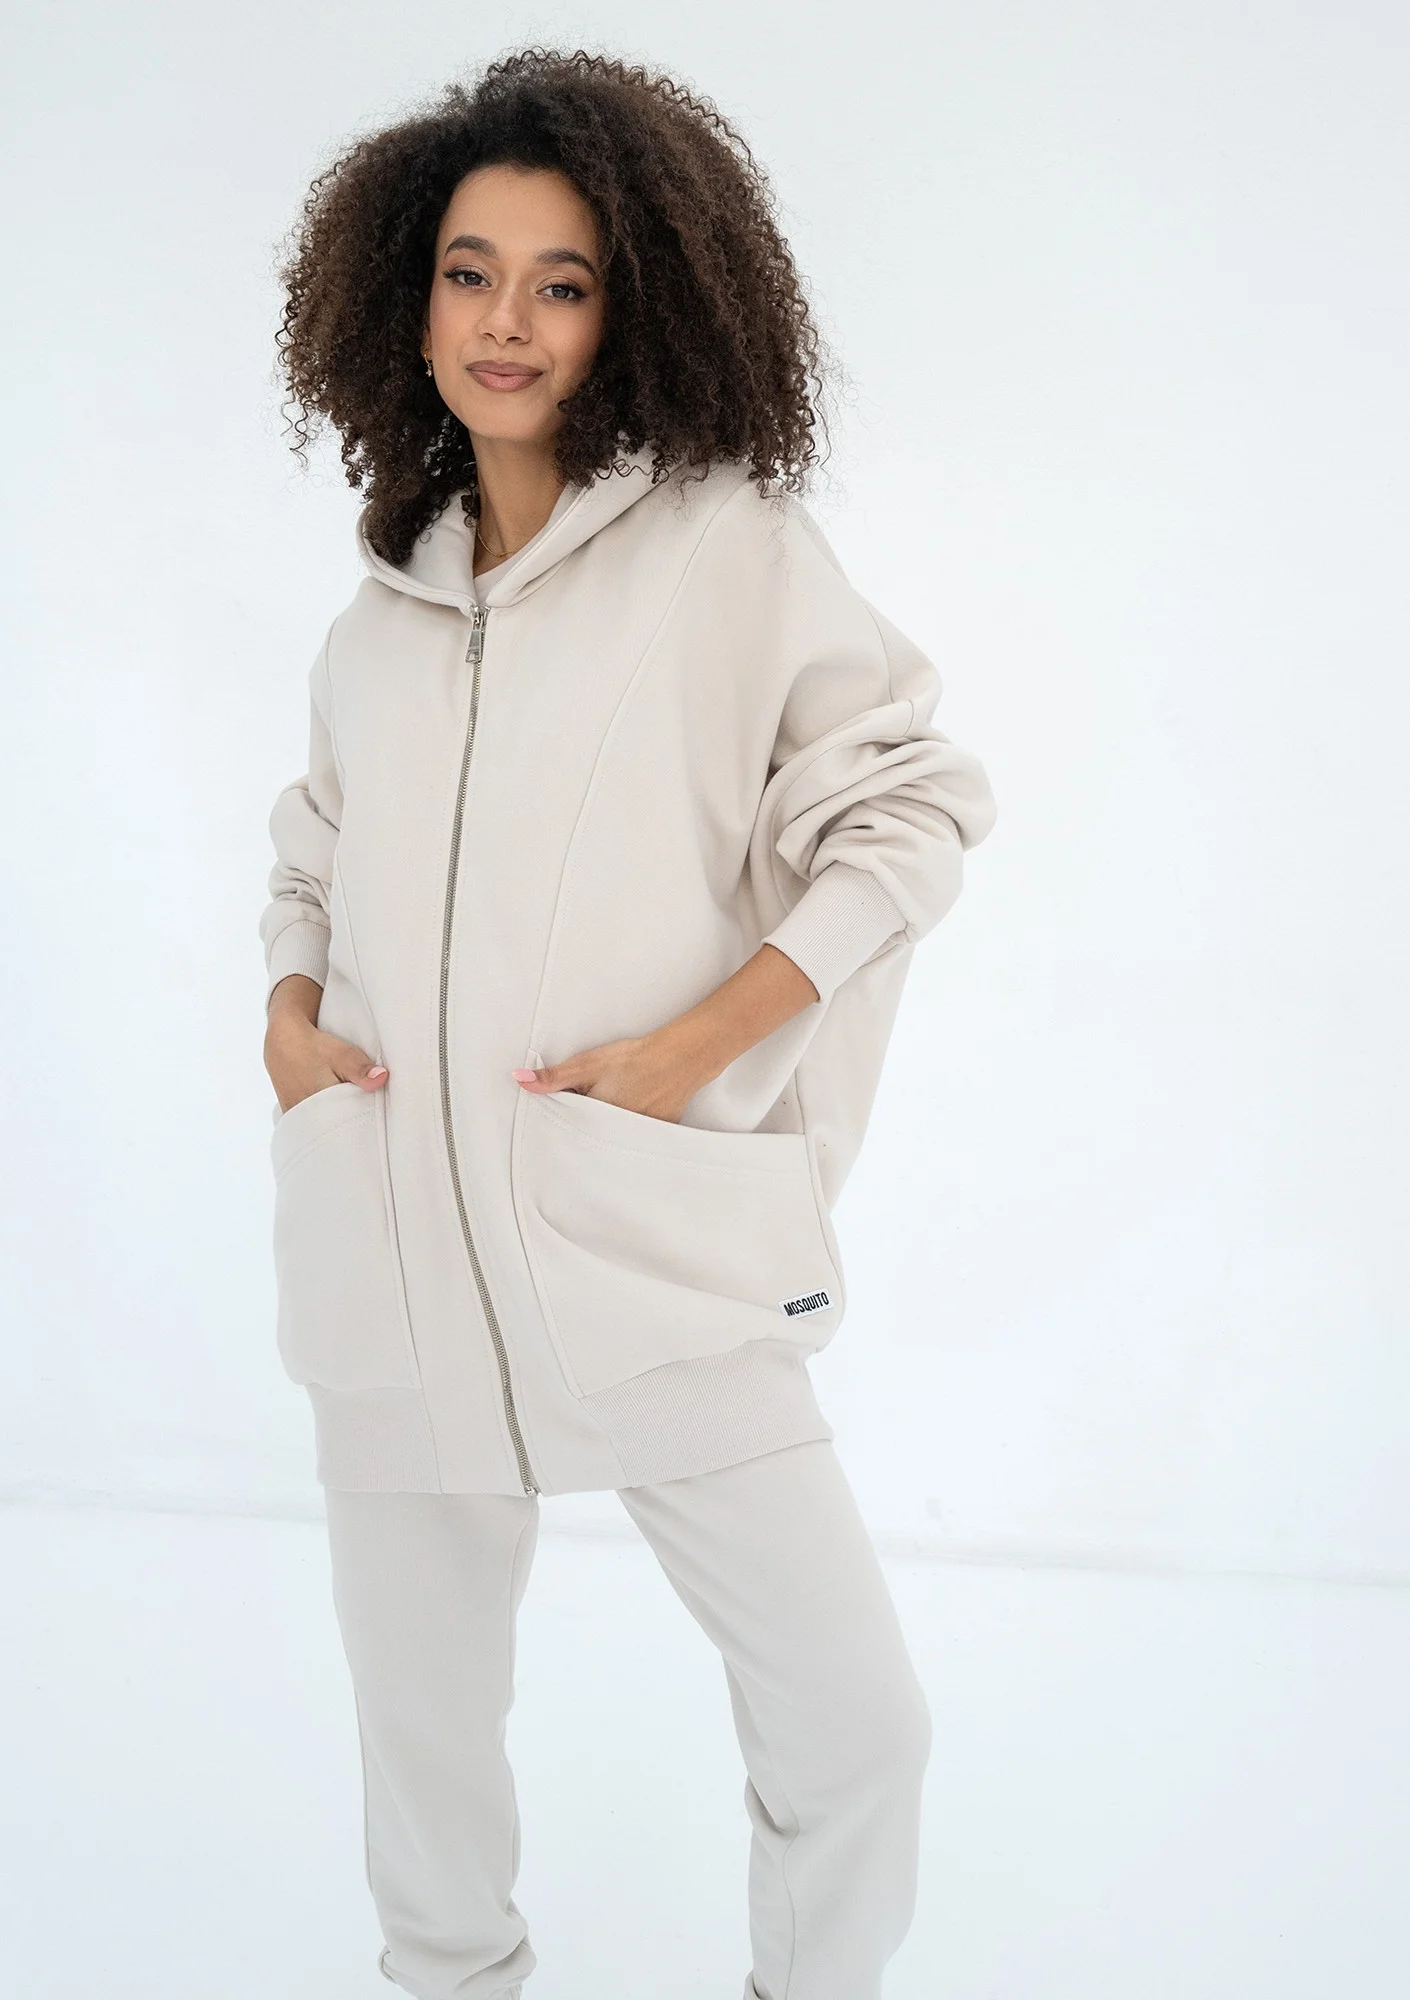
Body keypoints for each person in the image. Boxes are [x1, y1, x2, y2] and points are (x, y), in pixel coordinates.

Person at [259, 48, 997, 2000]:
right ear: (403, 295)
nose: (504, 321)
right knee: (421, 1758)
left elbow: (906, 812)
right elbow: (310, 851)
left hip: (644, 1239)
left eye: (561, 280)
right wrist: (287, 1018)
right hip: (392, 1248)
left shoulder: (723, 550)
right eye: (468, 272)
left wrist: (697, 1048)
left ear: (635, 306)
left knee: (856, 1723)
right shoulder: (375, 621)